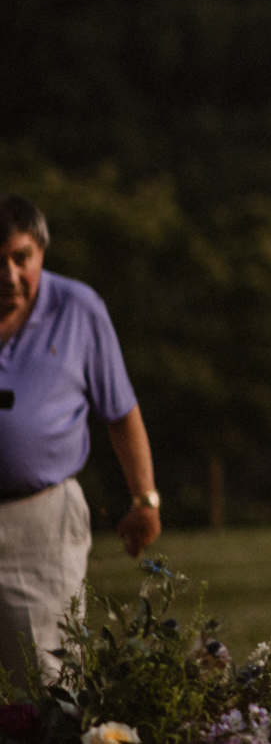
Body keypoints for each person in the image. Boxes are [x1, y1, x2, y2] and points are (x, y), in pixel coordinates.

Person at [0, 194, 161, 685]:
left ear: (41, 253)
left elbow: (121, 411)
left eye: (20, 258)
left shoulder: (78, 309)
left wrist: (144, 499)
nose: (8, 275)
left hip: (41, 521)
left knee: (50, 680)